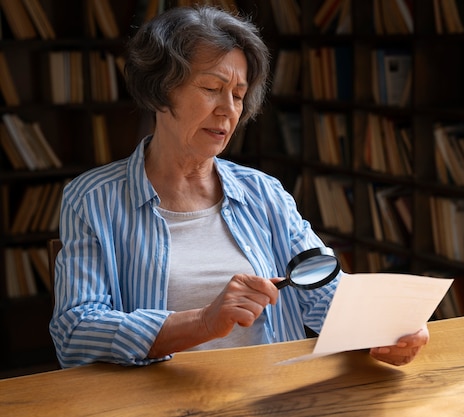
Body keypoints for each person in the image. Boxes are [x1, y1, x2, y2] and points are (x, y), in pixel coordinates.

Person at [49, 5, 429, 369]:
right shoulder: (93, 198)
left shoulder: (263, 193)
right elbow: (76, 332)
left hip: (272, 396)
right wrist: (202, 322)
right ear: (161, 89)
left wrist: (389, 327)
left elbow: (324, 291)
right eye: (212, 88)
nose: (228, 110)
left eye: (238, 95)